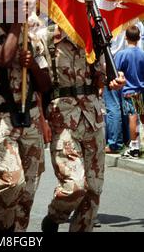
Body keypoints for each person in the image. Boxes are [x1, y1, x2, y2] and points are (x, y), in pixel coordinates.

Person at [0, 0, 51, 232]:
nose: (17, 10)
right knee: (13, 181)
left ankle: (17, 233)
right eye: (10, 5)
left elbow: (46, 84)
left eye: (19, 4)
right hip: (0, 119)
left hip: (28, 118)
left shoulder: (34, 37)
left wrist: (34, 66)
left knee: (28, 190)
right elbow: (2, 59)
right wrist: (18, 27)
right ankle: (3, 226)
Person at [40, 23, 125, 233]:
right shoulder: (46, 38)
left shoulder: (92, 38)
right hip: (63, 120)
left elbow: (99, 75)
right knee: (74, 185)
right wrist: (41, 120)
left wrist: (114, 79)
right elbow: (37, 85)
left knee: (93, 190)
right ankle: (54, 216)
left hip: (92, 119)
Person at [114, 25, 144, 158]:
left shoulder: (122, 54)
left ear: (126, 37)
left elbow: (116, 71)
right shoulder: (142, 54)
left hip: (129, 91)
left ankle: (134, 147)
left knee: (133, 117)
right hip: (141, 90)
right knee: (142, 116)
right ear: (139, 38)